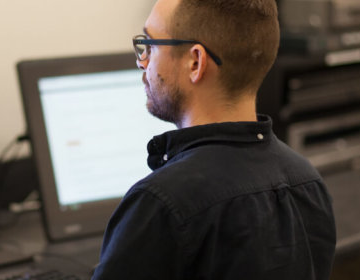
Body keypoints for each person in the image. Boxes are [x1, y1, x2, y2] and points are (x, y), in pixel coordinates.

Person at [91, 0, 336, 279]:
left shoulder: (161, 203)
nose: (142, 61)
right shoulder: (308, 183)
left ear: (195, 62)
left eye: (151, 44)